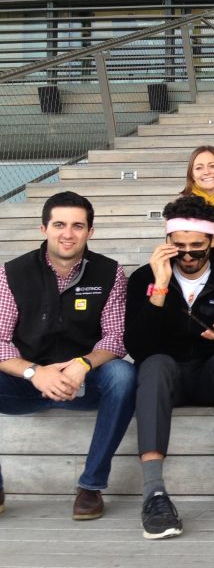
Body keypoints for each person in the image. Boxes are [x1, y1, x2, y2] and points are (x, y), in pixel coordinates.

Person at [126, 195, 214, 539]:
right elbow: (139, 349)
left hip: (213, 373)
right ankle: (154, 493)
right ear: (167, 243)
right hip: (167, 376)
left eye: (197, 248)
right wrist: (159, 289)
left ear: (212, 241)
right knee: (154, 365)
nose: (188, 256)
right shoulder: (143, 279)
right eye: (179, 248)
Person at [0, 192, 136, 520]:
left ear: (90, 231)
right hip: (25, 385)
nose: (68, 233)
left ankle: (91, 485)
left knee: (124, 375)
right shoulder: (11, 273)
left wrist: (83, 364)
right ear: (43, 228)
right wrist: (35, 373)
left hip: (84, 384)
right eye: (59, 224)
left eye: (78, 225)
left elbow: (116, 338)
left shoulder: (110, 273)